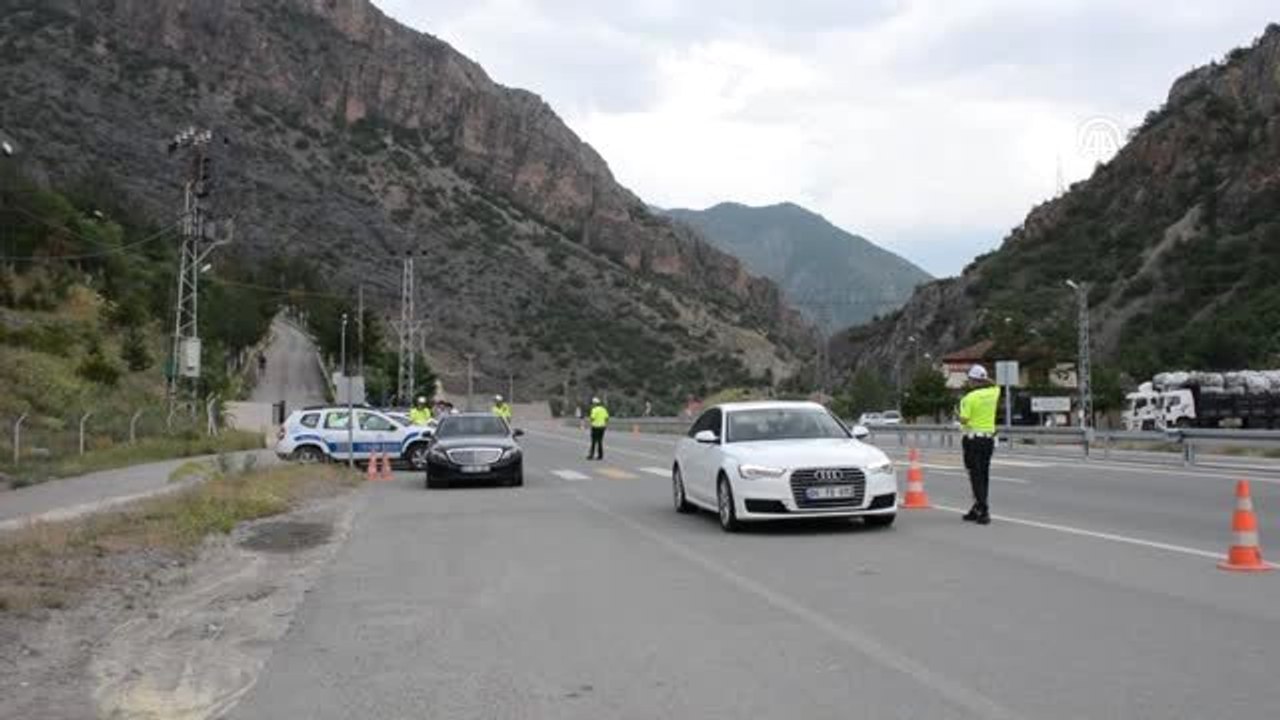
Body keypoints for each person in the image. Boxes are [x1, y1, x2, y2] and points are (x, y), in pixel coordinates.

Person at [958, 365, 1001, 525]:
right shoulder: (994, 392)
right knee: (983, 474)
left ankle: (983, 509)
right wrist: (984, 378)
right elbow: (995, 383)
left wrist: (958, 415)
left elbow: (964, 419)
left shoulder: (969, 398)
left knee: (975, 475)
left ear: (972, 380)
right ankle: (977, 507)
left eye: (969, 379)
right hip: (988, 440)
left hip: (972, 439)